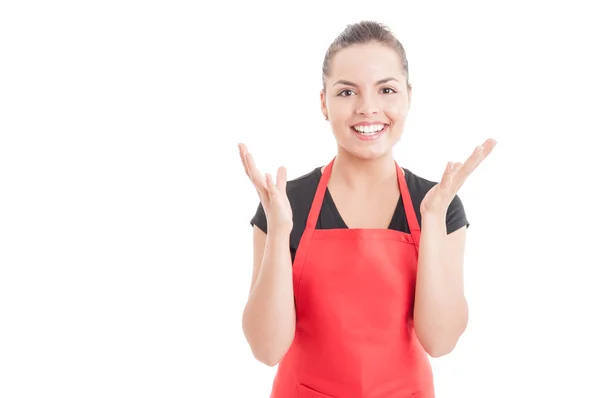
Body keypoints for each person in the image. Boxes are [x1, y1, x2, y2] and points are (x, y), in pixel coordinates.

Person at [238, 20, 496, 398]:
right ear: (323, 102)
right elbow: (265, 349)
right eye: (346, 92)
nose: (368, 108)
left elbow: (440, 342)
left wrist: (434, 222)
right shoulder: (285, 205)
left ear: (407, 97)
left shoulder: (438, 205)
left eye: (386, 89)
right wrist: (278, 234)